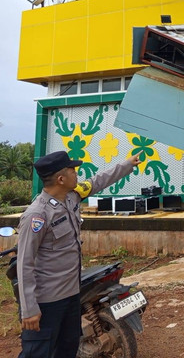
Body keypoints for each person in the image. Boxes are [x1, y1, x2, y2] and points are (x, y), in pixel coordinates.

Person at [16, 150, 142, 358]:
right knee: (37, 353)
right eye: (72, 170)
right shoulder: (37, 215)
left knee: (67, 349)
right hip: (47, 302)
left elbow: (98, 181)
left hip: (72, 295)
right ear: (61, 178)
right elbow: (24, 264)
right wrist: (29, 309)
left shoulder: (72, 197)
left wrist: (126, 165)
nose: (77, 174)